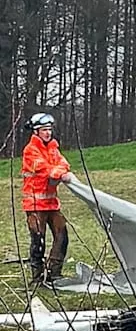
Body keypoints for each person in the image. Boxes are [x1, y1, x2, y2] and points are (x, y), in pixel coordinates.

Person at [20, 113, 74, 285]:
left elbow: (64, 163)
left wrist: (60, 170)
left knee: (62, 236)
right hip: (35, 204)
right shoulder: (30, 150)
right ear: (36, 131)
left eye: (49, 129)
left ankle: (54, 273)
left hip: (51, 203)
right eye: (44, 130)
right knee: (38, 240)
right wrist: (59, 172)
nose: (48, 133)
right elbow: (45, 169)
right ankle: (37, 278)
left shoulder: (53, 148)